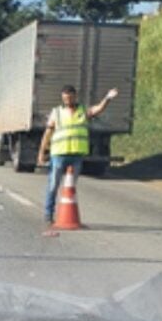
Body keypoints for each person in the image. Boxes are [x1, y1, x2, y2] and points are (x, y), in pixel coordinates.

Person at [37, 84, 119, 225]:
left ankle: (67, 215)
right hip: (59, 154)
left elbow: (98, 109)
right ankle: (48, 213)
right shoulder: (56, 112)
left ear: (75, 97)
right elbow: (48, 133)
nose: (67, 100)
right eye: (65, 98)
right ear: (62, 98)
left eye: (70, 97)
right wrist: (41, 152)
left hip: (76, 156)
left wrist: (107, 98)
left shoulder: (82, 111)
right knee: (53, 185)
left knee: (70, 186)